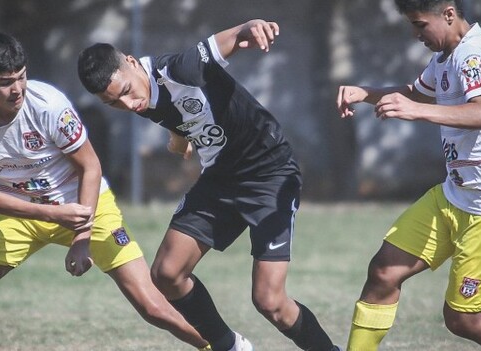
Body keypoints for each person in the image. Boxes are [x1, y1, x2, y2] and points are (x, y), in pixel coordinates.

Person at [0, 26, 211, 351]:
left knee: (154, 307)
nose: (17, 89)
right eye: (5, 82)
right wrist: (52, 214)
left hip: (86, 206)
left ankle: (223, 346)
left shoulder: (48, 104)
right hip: (21, 214)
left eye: (21, 76)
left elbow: (90, 166)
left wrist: (81, 239)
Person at [77, 19, 341, 351]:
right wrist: (180, 135)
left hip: (269, 174)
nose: (128, 105)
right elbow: (177, 110)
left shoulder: (179, 69)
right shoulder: (140, 95)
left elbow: (224, 40)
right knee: (167, 275)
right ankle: (231, 347)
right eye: (113, 103)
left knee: (270, 301)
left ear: (131, 62)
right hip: (220, 179)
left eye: (126, 92)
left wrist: (250, 27)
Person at [336, 0, 481, 350]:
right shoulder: (446, 57)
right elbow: (417, 94)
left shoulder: (472, 57)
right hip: (454, 195)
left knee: (464, 319)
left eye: (420, 25)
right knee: (384, 271)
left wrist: (416, 112)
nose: (416, 35)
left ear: (449, 14)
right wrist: (363, 92)